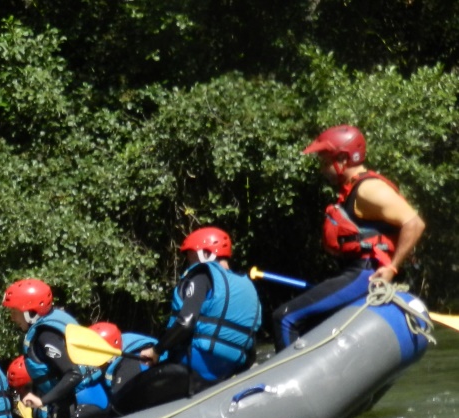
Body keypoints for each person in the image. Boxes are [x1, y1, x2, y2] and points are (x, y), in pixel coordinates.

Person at [272, 125, 425, 349]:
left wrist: (392, 268)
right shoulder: (352, 189)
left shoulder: (368, 189)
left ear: (343, 159)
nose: (322, 169)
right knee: (308, 323)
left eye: (325, 162)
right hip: (354, 271)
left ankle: (280, 379)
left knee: (284, 317)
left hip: (366, 273)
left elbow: (414, 223)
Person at [140, 226, 262, 393]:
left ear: (207, 253)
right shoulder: (247, 286)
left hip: (196, 363)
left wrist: (156, 350)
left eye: (191, 254)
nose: (189, 260)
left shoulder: (202, 275)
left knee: (132, 391)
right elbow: (251, 339)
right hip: (231, 368)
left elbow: (185, 323)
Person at [1, 278, 93, 418]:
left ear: (31, 311)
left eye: (15, 312)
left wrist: (41, 400)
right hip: (75, 401)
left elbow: (73, 374)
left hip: (83, 404)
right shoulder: (52, 324)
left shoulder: (46, 336)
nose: (13, 318)